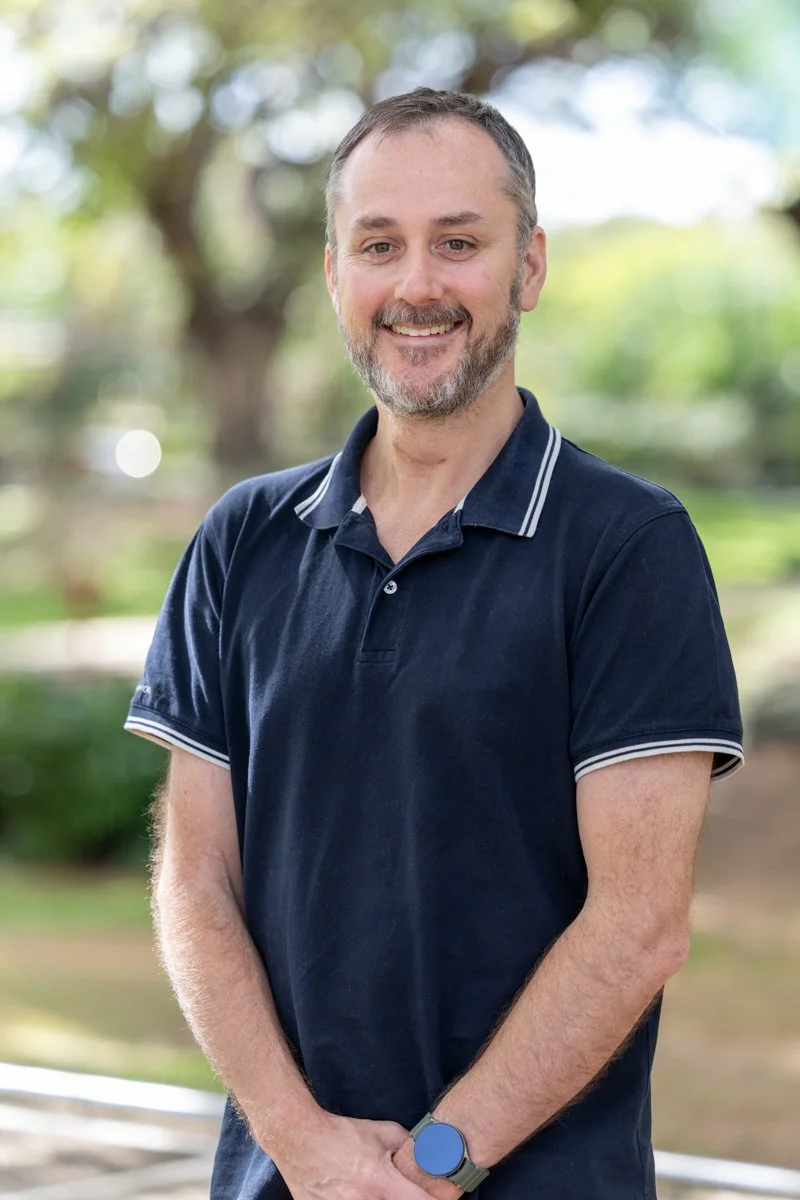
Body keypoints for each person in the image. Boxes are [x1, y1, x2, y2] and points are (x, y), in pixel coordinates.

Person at [125, 88, 743, 1200]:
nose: (416, 285)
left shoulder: (628, 547)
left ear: (528, 268)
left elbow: (637, 925)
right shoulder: (240, 542)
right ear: (333, 277)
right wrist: (300, 1144)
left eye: (458, 243)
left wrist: (433, 1163)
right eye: (379, 245)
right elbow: (194, 878)